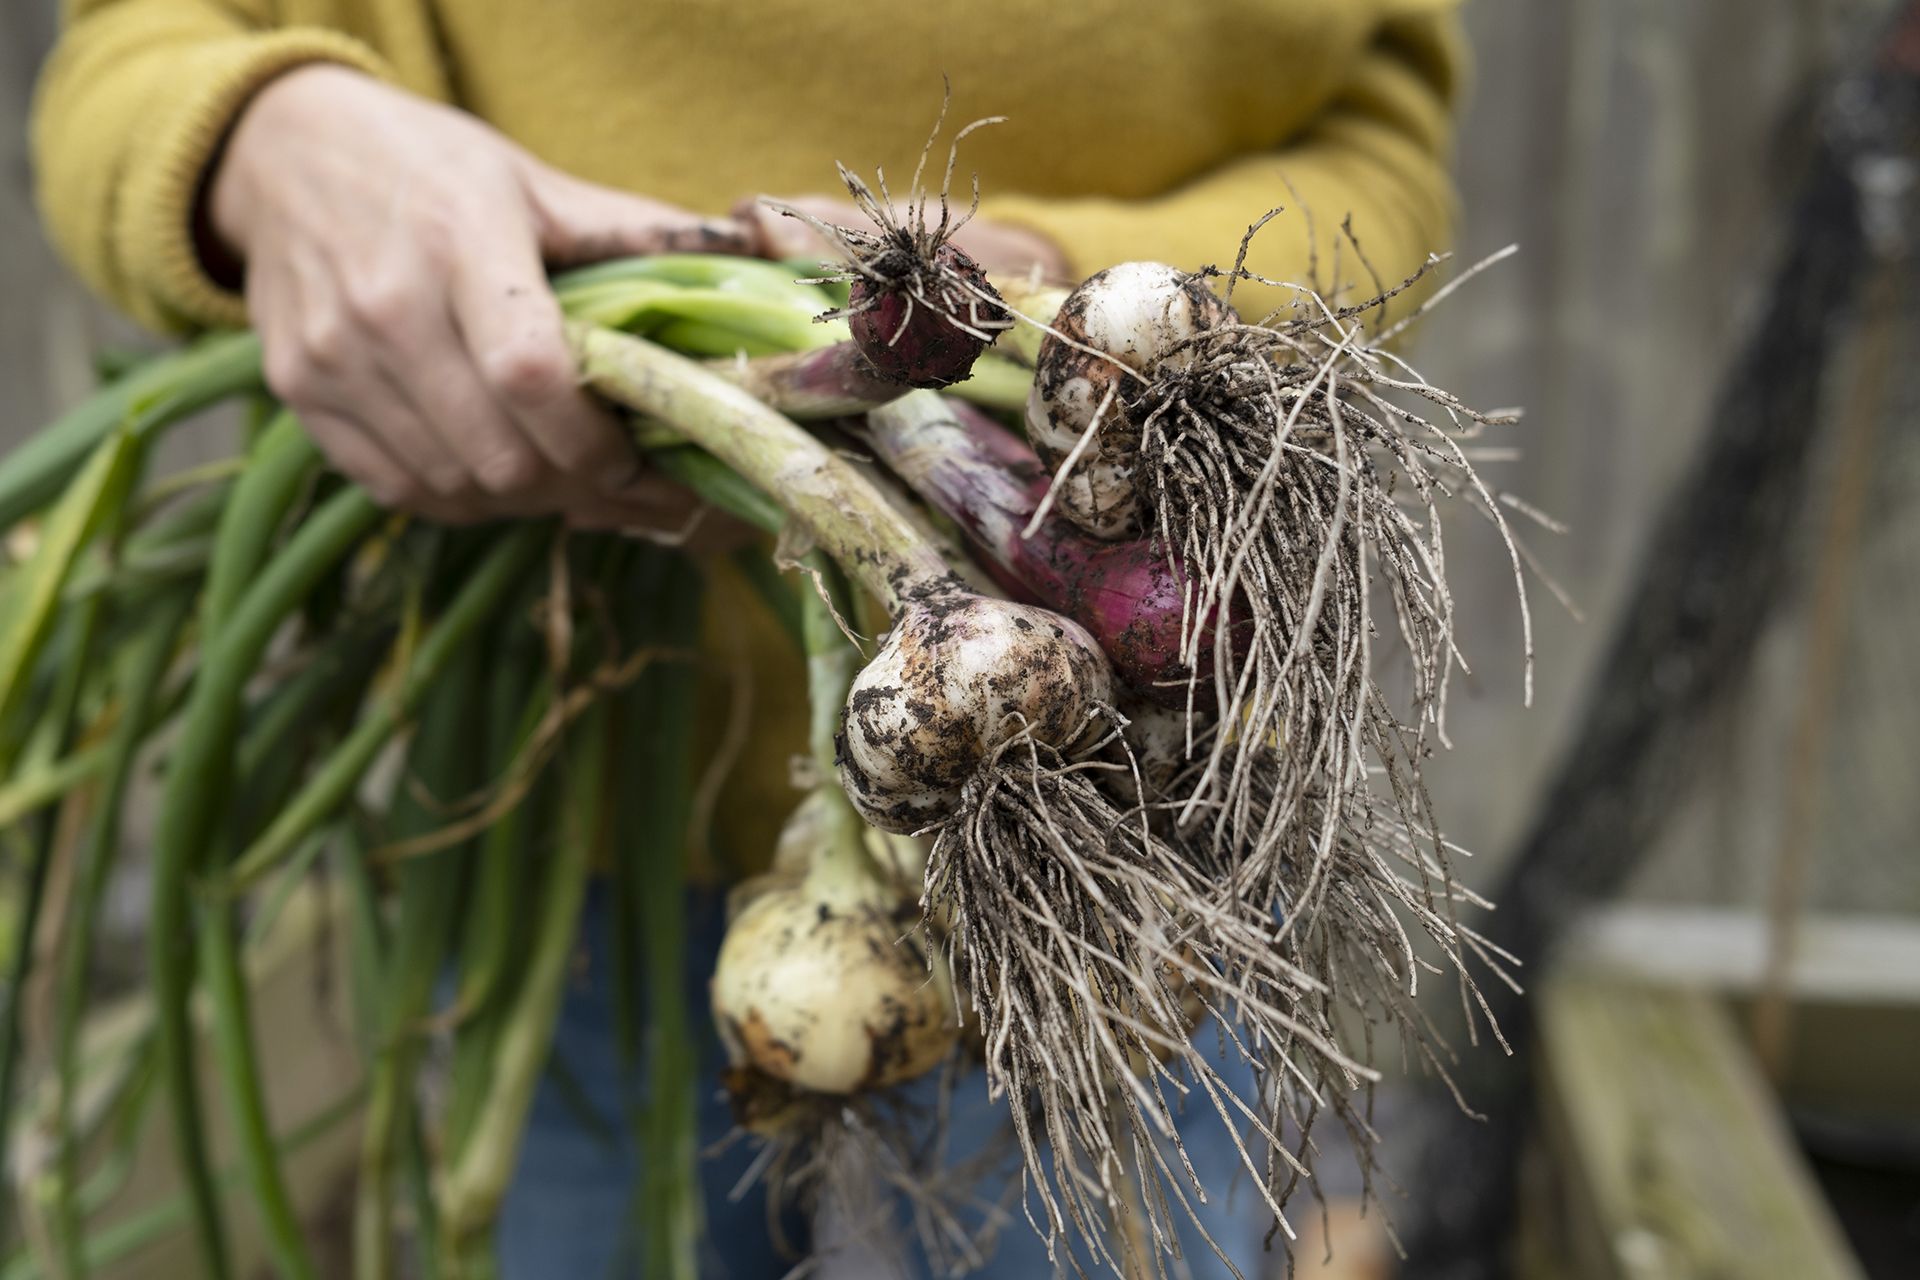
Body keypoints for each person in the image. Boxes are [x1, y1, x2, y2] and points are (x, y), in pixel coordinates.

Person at [32, 1, 1466, 1274]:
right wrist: (267, 138)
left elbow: (1379, 141)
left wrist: (1044, 287)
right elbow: (128, 57)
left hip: (1135, 824)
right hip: (557, 799)